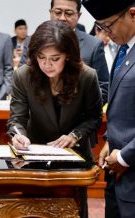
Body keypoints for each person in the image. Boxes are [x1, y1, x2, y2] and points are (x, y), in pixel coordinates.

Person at [7, 20, 103, 218]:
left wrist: (75, 135)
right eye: (41, 57)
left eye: (54, 58)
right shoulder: (24, 75)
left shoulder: (87, 76)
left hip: (74, 160)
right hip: (35, 159)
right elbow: (17, 118)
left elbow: (94, 118)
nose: (46, 64)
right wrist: (18, 136)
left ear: (68, 56)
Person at [82, 0, 135, 218]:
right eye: (100, 26)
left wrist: (124, 156)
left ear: (132, 14)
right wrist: (109, 143)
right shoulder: (124, 50)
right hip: (117, 175)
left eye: (108, 25)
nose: (105, 32)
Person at [48, 0, 109, 106]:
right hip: (42, 118)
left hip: (80, 120)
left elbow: (104, 87)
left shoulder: (93, 45)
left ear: (78, 15)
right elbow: (24, 82)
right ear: (50, 12)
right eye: (57, 12)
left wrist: (82, 109)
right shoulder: (34, 42)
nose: (62, 18)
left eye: (69, 13)